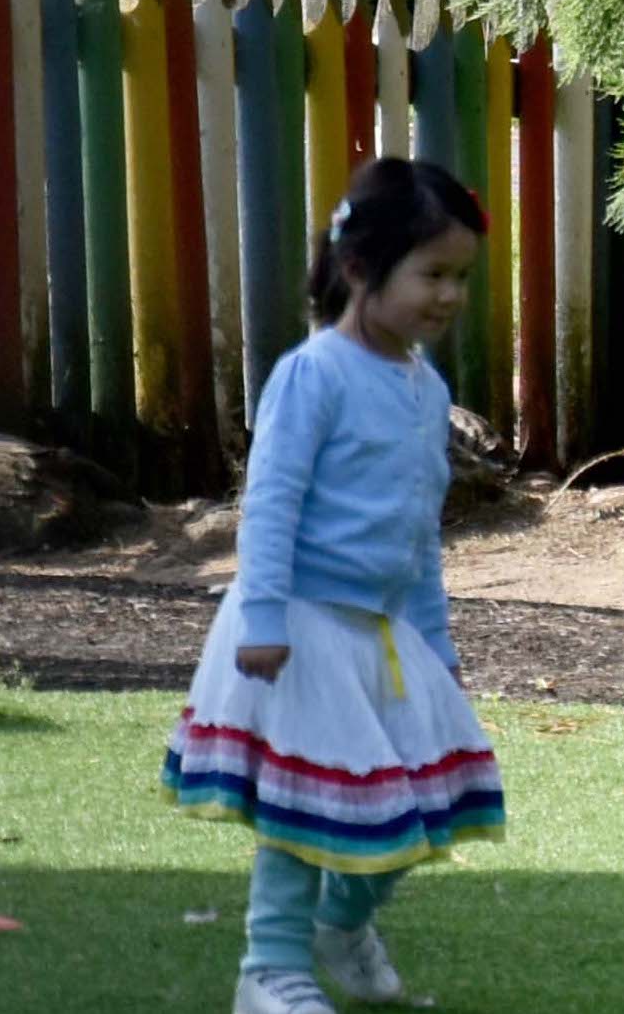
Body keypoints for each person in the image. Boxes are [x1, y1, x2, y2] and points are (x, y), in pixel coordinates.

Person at [163, 159, 502, 1014]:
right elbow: (271, 505)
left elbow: (420, 534)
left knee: (414, 812)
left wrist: (437, 644)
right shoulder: (312, 375)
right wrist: (265, 618)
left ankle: (340, 929)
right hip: (302, 629)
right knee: (301, 810)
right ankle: (269, 969)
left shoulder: (427, 390)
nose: (450, 296)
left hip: (383, 638)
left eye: (460, 277)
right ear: (360, 269)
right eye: (432, 274)